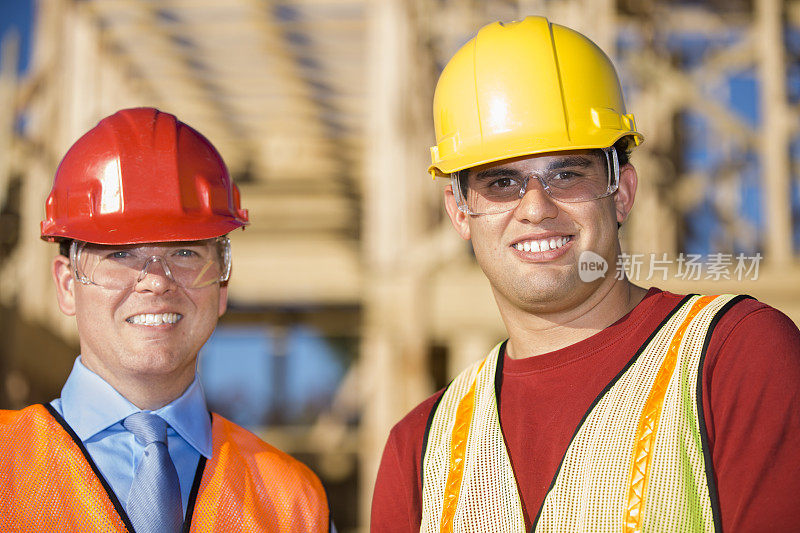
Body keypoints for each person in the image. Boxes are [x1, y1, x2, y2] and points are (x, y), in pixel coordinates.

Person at [371, 16, 800, 532]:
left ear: (621, 192)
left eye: (567, 174)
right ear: (460, 211)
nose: (535, 208)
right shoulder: (419, 451)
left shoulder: (734, 358)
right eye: (502, 181)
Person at [0, 107, 332, 532]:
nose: (156, 282)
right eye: (120, 254)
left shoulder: (293, 504)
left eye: (185, 252)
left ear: (222, 285)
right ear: (68, 284)